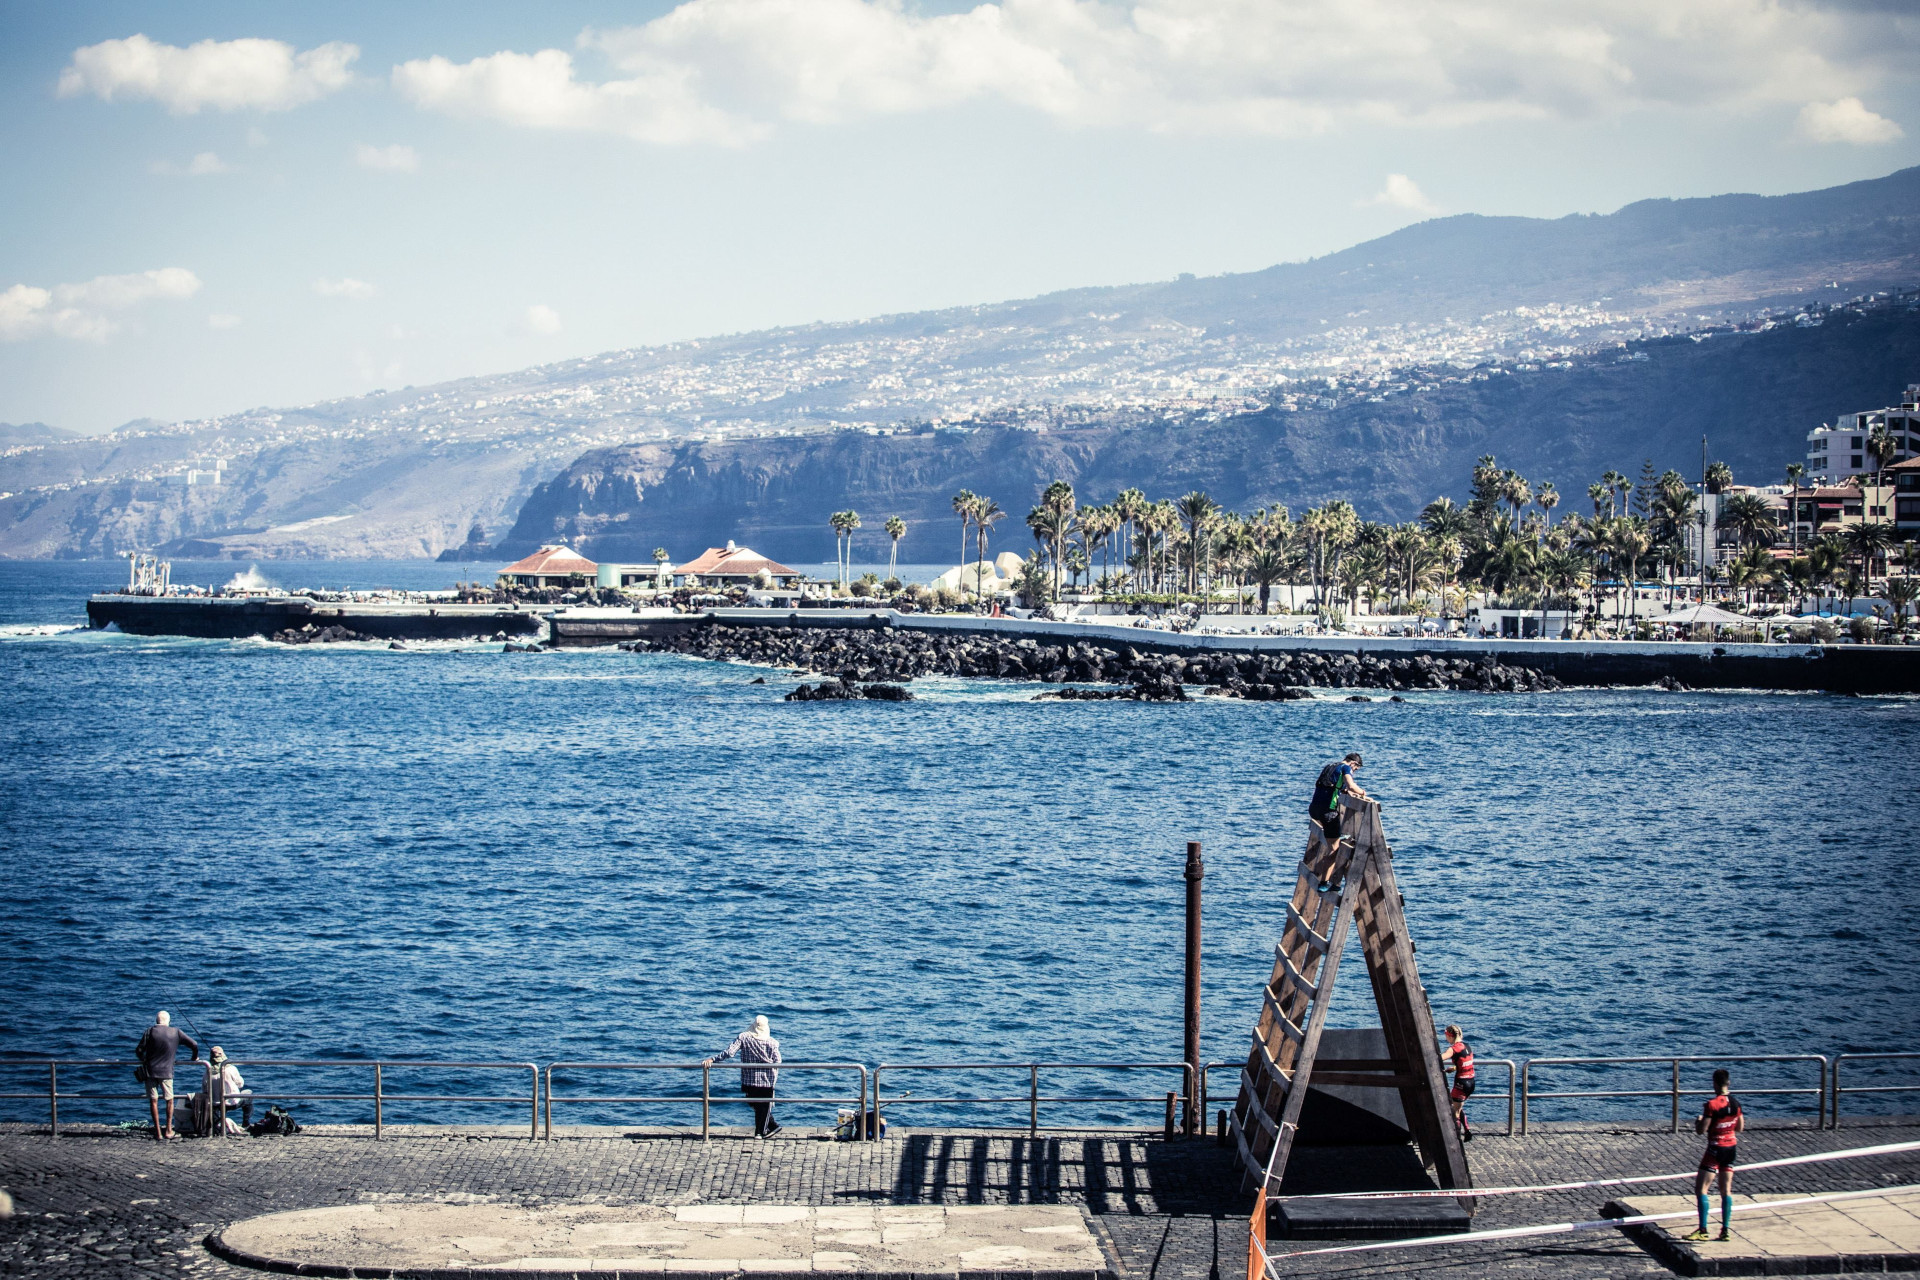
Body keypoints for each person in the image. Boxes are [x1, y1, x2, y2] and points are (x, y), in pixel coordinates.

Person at [1686, 1069, 1744, 1242]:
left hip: (1715, 1149)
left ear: (1715, 1084)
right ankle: (1725, 1229)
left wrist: (1698, 1121)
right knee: (1726, 1190)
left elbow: (1701, 1130)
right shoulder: (1736, 1103)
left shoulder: (1712, 1105)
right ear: (1729, 1083)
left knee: (1701, 1189)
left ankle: (1703, 1229)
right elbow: (1740, 1127)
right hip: (1731, 1147)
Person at [706, 1015, 783, 1138]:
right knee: (763, 1106)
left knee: (756, 1104)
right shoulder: (772, 1042)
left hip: (748, 1080)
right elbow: (778, 1061)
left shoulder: (744, 1037)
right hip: (767, 1080)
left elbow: (730, 1052)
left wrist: (713, 1059)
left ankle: (766, 1129)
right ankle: (763, 1131)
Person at [1307, 753, 1369, 892]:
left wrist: (1343, 791)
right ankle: (1324, 883)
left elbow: (1330, 786)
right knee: (1333, 849)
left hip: (1314, 809)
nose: (1354, 772)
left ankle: (1335, 835)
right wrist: (1362, 793)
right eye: (1356, 769)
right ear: (1353, 763)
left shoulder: (1330, 766)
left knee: (1332, 834)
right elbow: (1351, 785)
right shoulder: (1346, 768)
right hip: (1328, 811)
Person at [135, 1011, 200, 1141]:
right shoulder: (175, 1032)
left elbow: (139, 1050)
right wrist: (194, 1057)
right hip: (167, 1072)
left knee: (153, 1101)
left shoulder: (149, 1031)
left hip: (150, 1072)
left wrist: (143, 1060)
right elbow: (194, 1044)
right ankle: (169, 1130)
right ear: (168, 1021)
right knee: (169, 1100)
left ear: (156, 1020)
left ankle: (158, 1132)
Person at [1441, 1025, 1475, 1143]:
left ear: (1450, 1036)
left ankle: (1456, 1138)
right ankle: (1467, 1131)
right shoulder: (1467, 1046)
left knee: (1454, 1110)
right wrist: (1454, 1068)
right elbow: (1466, 1062)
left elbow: (1439, 1058)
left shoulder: (1453, 1048)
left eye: (1446, 1036)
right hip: (1471, 1082)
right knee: (1457, 1107)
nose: (1446, 1039)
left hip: (1461, 1083)